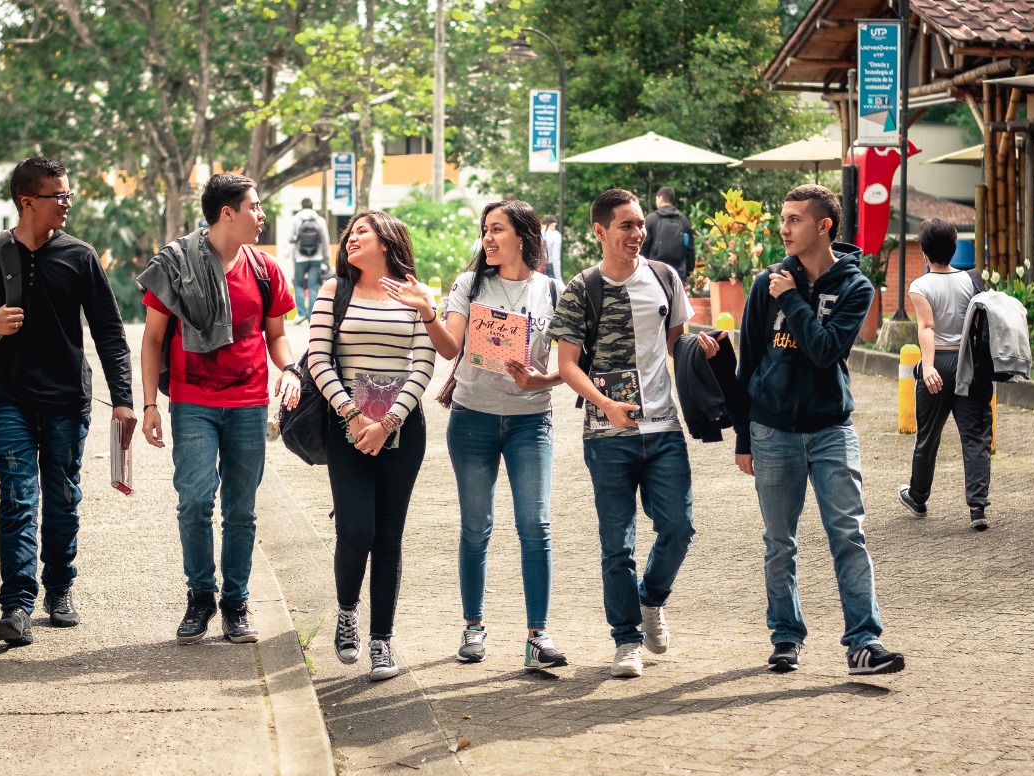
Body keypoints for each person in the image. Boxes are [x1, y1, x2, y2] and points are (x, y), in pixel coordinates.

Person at [0, 156, 136, 647]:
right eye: (59, 196)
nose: (67, 203)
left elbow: (110, 333)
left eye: (68, 195)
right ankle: (17, 606)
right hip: (10, 400)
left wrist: (124, 400)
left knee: (64, 501)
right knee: (18, 501)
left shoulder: (80, 257)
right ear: (28, 201)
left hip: (69, 401)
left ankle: (60, 589)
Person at [383, 200, 568, 669]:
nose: (486, 239)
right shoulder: (470, 285)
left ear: (523, 236)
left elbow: (570, 366)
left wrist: (539, 381)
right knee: (476, 527)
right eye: (484, 230)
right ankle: (473, 627)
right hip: (472, 419)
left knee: (536, 527)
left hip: (532, 419)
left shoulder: (552, 290)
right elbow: (449, 349)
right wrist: (428, 312)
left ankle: (537, 637)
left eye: (496, 230)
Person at [732, 183, 905, 677]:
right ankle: (785, 636)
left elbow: (827, 350)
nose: (784, 228)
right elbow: (750, 363)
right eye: (782, 219)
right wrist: (744, 438)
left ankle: (864, 643)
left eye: (794, 220)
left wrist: (797, 300)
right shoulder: (767, 283)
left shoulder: (855, 287)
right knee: (779, 541)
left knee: (848, 534)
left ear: (824, 225)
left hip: (832, 429)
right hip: (772, 431)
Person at [548, 188, 719, 679]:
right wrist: (605, 403)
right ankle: (626, 640)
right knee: (616, 544)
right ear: (600, 231)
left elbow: (672, 346)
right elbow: (566, 365)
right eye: (626, 225)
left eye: (640, 223)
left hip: (664, 427)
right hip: (606, 435)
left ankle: (651, 599)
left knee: (679, 527)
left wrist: (699, 353)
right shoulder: (582, 289)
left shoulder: (666, 277)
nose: (637, 233)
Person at [139, 173, 300, 645]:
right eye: (254, 206)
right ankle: (200, 596)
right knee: (194, 501)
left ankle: (236, 602)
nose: (261, 215)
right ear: (227, 212)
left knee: (242, 509)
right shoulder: (176, 264)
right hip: (192, 401)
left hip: (249, 402)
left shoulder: (266, 269)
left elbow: (276, 335)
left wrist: (289, 370)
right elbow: (151, 339)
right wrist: (149, 403)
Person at [308, 210, 436, 681]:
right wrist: (355, 415)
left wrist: (389, 420)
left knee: (388, 537)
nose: (351, 239)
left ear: (387, 240)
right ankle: (347, 613)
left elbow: (424, 362)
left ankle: (382, 640)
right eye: (349, 234)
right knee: (356, 530)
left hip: (403, 429)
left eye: (362, 232)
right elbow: (319, 359)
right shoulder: (332, 291)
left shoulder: (417, 295)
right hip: (347, 427)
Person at [897, 218, 993, 531]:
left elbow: (927, 328)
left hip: (937, 365)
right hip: (968, 366)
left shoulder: (920, 286)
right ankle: (977, 507)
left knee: (928, 436)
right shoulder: (971, 281)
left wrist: (927, 366)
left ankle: (918, 496)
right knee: (975, 437)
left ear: (923, 252)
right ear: (954, 249)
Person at [639, 186, 695, 283]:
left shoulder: (651, 219)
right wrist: (688, 271)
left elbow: (644, 246)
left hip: (654, 269)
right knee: (675, 297)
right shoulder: (683, 220)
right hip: (678, 270)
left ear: (660, 198)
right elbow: (690, 248)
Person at [289, 198, 330, 324]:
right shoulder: (320, 221)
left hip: (300, 258)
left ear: (301, 206)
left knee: (298, 285)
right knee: (313, 287)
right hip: (316, 258)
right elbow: (325, 241)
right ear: (312, 206)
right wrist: (327, 260)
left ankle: (301, 313)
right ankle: (311, 315)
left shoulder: (296, 219)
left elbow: (290, 238)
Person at [541, 214, 562, 280]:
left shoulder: (538, 234)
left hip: (537, 268)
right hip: (550, 268)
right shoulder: (556, 235)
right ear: (553, 224)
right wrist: (558, 277)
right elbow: (555, 257)